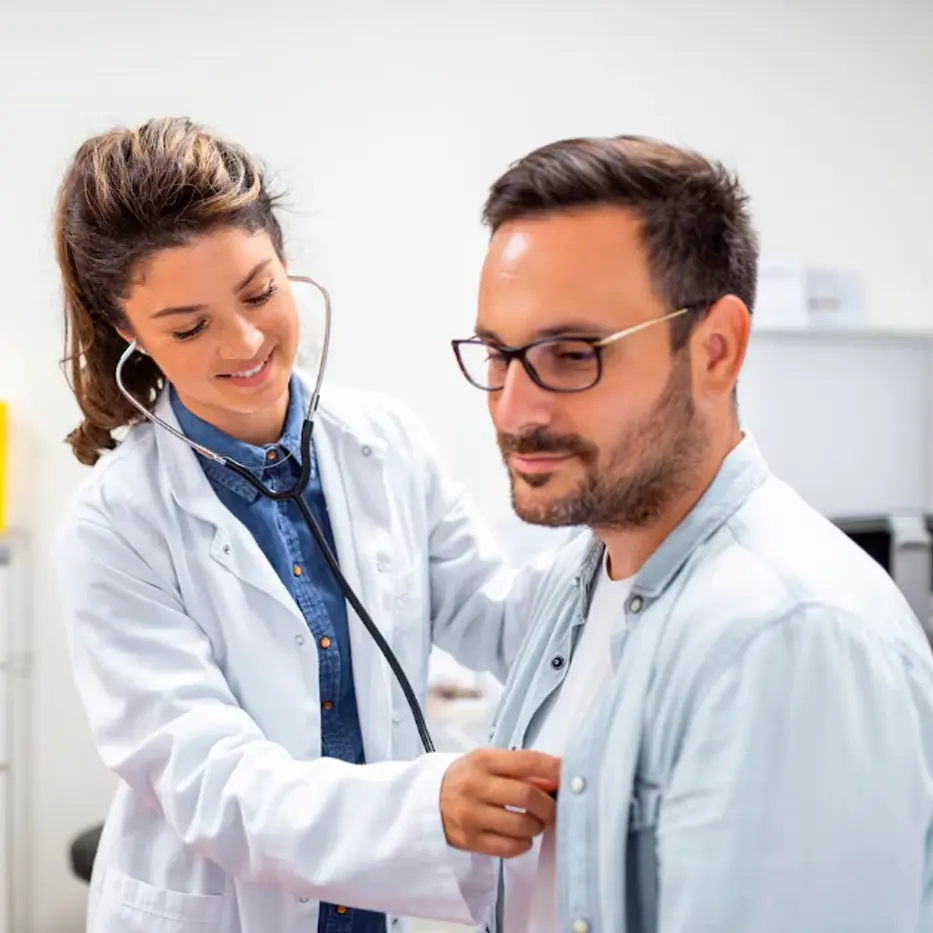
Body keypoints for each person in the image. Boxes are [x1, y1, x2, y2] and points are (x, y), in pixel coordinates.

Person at [53, 116, 561, 933]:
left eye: (259, 292)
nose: (246, 341)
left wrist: (620, 531)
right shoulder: (114, 524)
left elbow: (498, 616)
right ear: (127, 331)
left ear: (284, 262)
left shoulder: (384, 441)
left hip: (374, 909)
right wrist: (424, 805)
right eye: (189, 326)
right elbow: (214, 780)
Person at [451, 135, 933, 933]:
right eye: (499, 355)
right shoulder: (582, 573)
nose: (513, 407)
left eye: (571, 354)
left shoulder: (787, 636)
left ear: (715, 350)